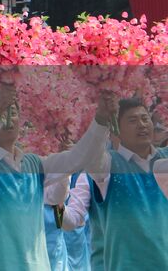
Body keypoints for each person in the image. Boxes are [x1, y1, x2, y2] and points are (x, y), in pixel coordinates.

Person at [0, 84, 112, 270]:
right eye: (1, 114)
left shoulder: (34, 164)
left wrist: (102, 120)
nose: (8, 119)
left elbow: (77, 158)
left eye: (13, 111)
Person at [62, 97, 168, 269]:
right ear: (116, 130)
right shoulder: (105, 168)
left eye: (145, 118)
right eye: (133, 120)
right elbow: (66, 223)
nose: (142, 125)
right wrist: (56, 201)